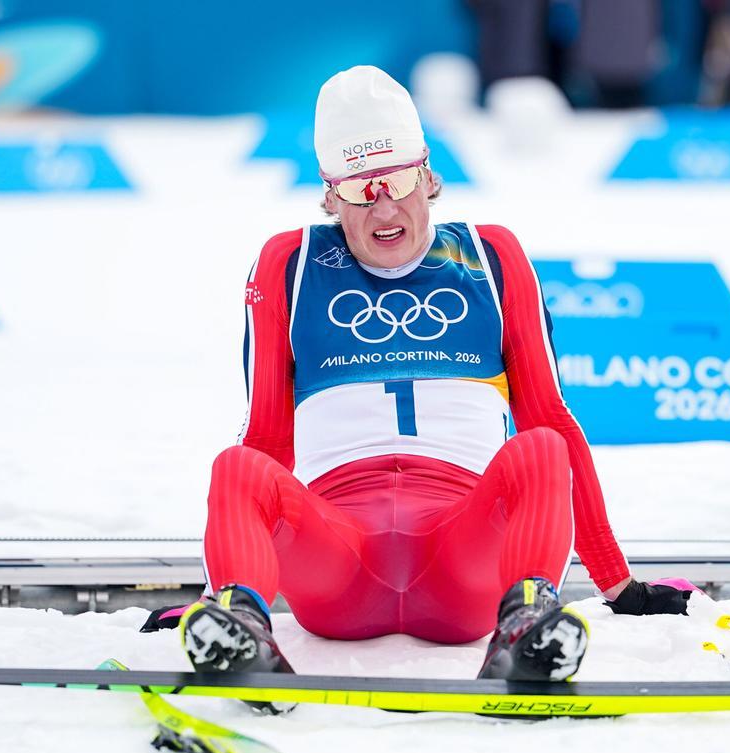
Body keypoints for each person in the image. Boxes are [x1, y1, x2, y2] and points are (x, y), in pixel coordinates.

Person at [142, 66, 695, 700]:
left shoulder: (490, 256)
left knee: (540, 447)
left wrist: (618, 587)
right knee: (235, 466)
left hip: (462, 561)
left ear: (430, 178)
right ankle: (239, 631)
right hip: (338, 566)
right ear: (328, 196)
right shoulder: (289, 264)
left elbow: (553, 417)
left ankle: (524, 631)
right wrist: (216, 593)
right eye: (360, 190)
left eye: (399, 181)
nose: (384, 207)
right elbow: (267, 440)